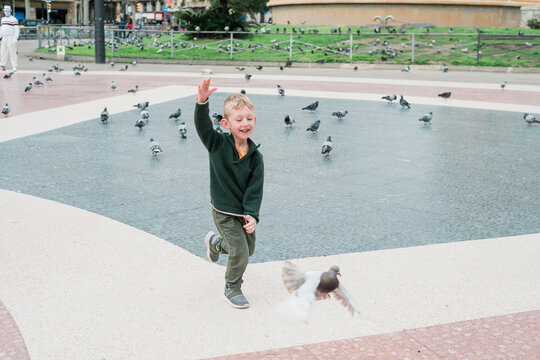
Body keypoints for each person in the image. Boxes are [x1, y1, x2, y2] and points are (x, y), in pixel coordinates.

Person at [195, 78, 264, 309]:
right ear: (226, 123)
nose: (245, 123)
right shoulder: (216, 143)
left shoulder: (256, 157)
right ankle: (232, 287)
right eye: (239, 119)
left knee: (248, 250)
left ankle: (215, 244)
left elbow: (255, 191)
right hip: (223, 211)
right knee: (240, 252)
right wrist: (202, 101)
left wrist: (252, 215)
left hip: (243, 213)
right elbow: (202, 125)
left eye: (249, 118)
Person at [0, 5, 19, 72]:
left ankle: (14, 66)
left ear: (10, 11)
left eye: (8, 11)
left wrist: (15, 37)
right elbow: (1, 28)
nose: (6, 12)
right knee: (3, 52)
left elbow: (16, 29)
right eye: (5, 11)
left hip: (11, 37)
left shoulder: (13, 19)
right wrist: (0, 36)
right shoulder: (3, 19)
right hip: (4, 37)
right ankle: (3, 65)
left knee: (12, 52)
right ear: (4, 11)